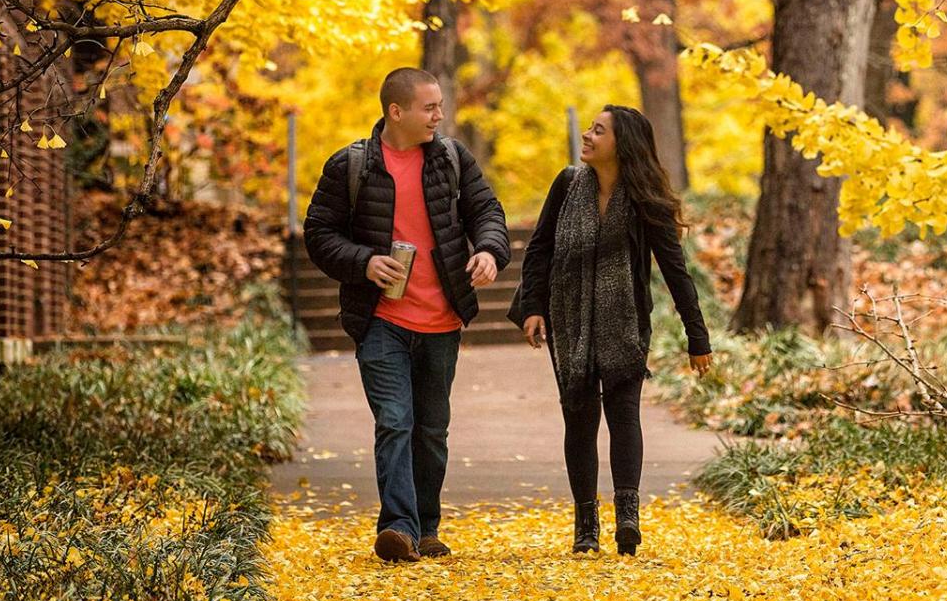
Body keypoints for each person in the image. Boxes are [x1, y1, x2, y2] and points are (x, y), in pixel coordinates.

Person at [303, 67, 509, 563]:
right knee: (395, 421)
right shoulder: (350, 166)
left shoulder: (453, 159)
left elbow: (488, 213)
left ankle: (426, 526)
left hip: (442, 322)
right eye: (429, 107)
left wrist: (488, 251)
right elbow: (319, 234)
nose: (439, 116)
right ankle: (398, 527)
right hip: (380, 319)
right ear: (396, 111)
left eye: (439, 106)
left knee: (431, 430)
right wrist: (364, 261)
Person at [509, 105, 713, 555]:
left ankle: (627, 519)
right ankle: (586, 527)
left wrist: (696, 337)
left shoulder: (643, 200)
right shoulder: (567, 185)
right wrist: (532, 307)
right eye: (590, 128)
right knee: (578, 419)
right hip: (569, 319)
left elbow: (675, 271)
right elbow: (540, 248)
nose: (587, 135)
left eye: (598, 131)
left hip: (624, 324)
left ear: (623, 146)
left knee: (624, 416)